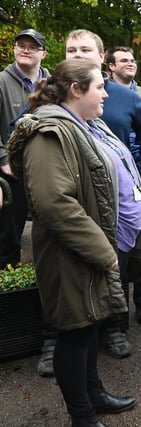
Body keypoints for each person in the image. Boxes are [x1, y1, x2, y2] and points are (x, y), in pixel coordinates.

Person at [7, 59, 140, 427]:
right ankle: (82, 415)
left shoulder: (80, 126)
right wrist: (103, 251)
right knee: (75, 332)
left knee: (89, 325)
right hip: (70, 252)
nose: (106, 93)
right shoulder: (49, 131)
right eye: (99, 86)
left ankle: (93, 394)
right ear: (76, 90)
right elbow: (54, 202)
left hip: (85, 247)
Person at [66, 29, 141, 349]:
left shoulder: (123, 96)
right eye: (71, 49)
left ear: (100, 56)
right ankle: (56, 341)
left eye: (85, 49)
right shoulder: (50, 97)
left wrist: (137, 166)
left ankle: (115, 327)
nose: (77, 54)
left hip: (120, 204)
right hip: (78, 204)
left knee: (119, 262)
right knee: (79, 271)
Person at [0, 29, 49, 271]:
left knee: (47, 234)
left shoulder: (53, 84)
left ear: (44, 53)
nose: (25, 49)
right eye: (21, 45)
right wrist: (3, 159)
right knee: (8, 239)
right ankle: (8, 291)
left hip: (44, 170)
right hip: (10, 170)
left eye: (32, 46)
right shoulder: (1, 81)